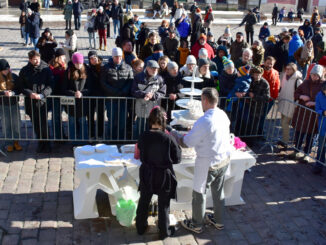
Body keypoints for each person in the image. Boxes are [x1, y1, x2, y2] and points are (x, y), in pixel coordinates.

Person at [170, 87, 231, 234]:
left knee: (199, 194)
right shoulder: (222, 114)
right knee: (218, 192)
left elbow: (187, 143)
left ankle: (197, 223)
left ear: (205, 100)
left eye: (201, 100)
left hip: (208, 163)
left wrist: (175, 134)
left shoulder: (204, 120)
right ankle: (219, 220)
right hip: (223, 159)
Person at [136, 106, 181, 240]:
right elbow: (177, 158)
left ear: (150, 121)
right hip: (163, 175)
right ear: (163, 122)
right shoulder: (168, 138)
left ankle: (140, 227)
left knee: (144, 200)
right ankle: (164, 231)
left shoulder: (143, 136)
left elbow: (140, 155)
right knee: (163, 205)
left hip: (147, 173)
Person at [19, 50, 53, 153]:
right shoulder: (25, 70)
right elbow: (21, 86)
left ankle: (47, 144)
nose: (37, 61)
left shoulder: (46, 69)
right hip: (31, 102)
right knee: (36, 124)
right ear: (30, 60)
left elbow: (51, 85)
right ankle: (40, 143)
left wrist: (42, 95)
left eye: (38, 59)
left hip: (42, 102)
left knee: (43, 124)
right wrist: (30, 93)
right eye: (34, 59)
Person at [290, 64, 324, 162]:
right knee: (299, 132)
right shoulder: (306, 83)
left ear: (320, 75)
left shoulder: (323, 85)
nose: (314, 77)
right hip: (302, 113)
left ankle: (307, 154)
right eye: (313, 74)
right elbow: (296, 93)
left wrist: (314, 103)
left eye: (317, 75)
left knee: (311, 135)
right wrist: (301, 97)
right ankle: (296, 150)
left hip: (314, 115)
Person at [100, 47, 134, 140]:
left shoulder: (128, 67)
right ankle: (111, 138)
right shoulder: (106, 67)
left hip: (124, 98)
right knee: (112, 119)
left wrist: (124, 91)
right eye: (116, 57)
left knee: (122, 120)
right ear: (112, 57)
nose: (118, 58)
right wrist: (115, 91)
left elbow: (130, 81)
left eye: (119, 56)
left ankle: (121, 138)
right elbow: (103, 83)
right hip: (111, 98)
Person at [131, 60, 166, 139]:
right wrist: (144, 94)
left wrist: (153, 95)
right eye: (153, 68)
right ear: (147, 68)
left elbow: (163, 92)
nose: (155, 70)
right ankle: (137, 143)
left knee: (152, 129)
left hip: (154, 109)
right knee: (140, 127)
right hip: (141, 107)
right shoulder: (138, 77)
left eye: (156, 69)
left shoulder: (160, 79)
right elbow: (133, 91)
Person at [63, 52, 89, 141]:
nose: (79, 65)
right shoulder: (68, 72)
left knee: (83, 122)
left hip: (83, 103)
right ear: (73, 63)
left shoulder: (86, 70)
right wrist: (73, 93)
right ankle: (73, 141)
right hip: (71, 103)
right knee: (72, 122)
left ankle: (84, 142)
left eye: (80, 63)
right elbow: (64, 88)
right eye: (77, 63)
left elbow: (90, 87)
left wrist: (82, 93)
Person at [277, 63, 303, 149]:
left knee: (285, 123)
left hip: (291, 105)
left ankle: (285, 141)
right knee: (283, 123)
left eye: (289, 69)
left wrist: (297, 103)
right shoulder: (285, 77)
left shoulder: (298, 80)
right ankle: (284, 140)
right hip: (284, 103)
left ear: (294, 70)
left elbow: (300, 93)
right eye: (286, 69)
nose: (287, 70)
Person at [0, 59, 22, 152]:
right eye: (4, 70)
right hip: (3, 105)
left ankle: (16, 141)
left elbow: (19, 88)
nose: (6, 71)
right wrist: (3, 93)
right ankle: (9, 143)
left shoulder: (14, 77)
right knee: (6, 124)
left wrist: (13, 92)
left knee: (16, 123)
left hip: (13, 103)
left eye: (7, 69)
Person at [245, 66, 270, 136]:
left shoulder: (265, 83)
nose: (258, 76)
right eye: (256, 74)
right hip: (247, 106)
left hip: (257, 108)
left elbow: (267, 97)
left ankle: (252, 140)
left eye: (259, 74)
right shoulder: (250, 80)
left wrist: (254, 96)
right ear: (253, 74)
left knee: (254, 125)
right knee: (246, 123)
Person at [48, 48, 67, 140]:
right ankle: (58, 136)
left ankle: (61, 134)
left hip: (63, 94)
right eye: (63, 56)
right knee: (56, 116)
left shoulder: (63, 65)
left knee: (59, 116)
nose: (64, 58)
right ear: (58, 57)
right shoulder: (52, 68)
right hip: (56, 94)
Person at [86, 51, 105, 140]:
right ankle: (91, 134)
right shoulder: (87, 69)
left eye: (94, 58)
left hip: (100, 95)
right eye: (91, 59)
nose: (93, 60)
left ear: (97, 58)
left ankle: (100, 134)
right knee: (90, 115)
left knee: (100, 115)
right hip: (90, 95)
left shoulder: (103, 67)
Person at [312, 82, 326, 174]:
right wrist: (323, 112)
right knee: (321, 147)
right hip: (323, 125)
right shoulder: (319, 96)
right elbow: (317, 109)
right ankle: (319, 165)